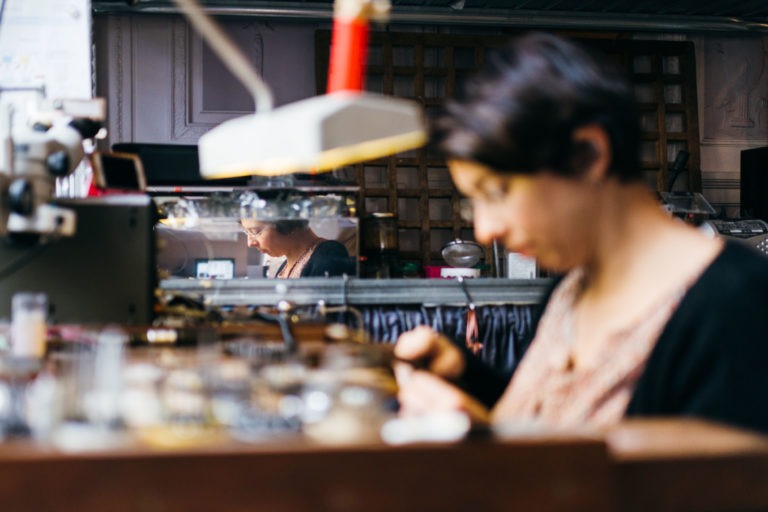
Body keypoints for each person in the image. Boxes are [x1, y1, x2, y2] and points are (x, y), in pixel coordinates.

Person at [393, 32, 768, 434]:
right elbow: (555, 424)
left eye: (498, 192)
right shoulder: (567, 293)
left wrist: (484, 447)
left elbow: (710, 487)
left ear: (588, 155)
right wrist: (465, 374)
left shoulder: (737, 303)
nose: (485, 230)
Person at [242, 219, 354, 278]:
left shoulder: (329, 254)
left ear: (286, 223)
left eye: (255, 232)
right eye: (247, 232)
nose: (250, 243)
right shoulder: (284, 266)